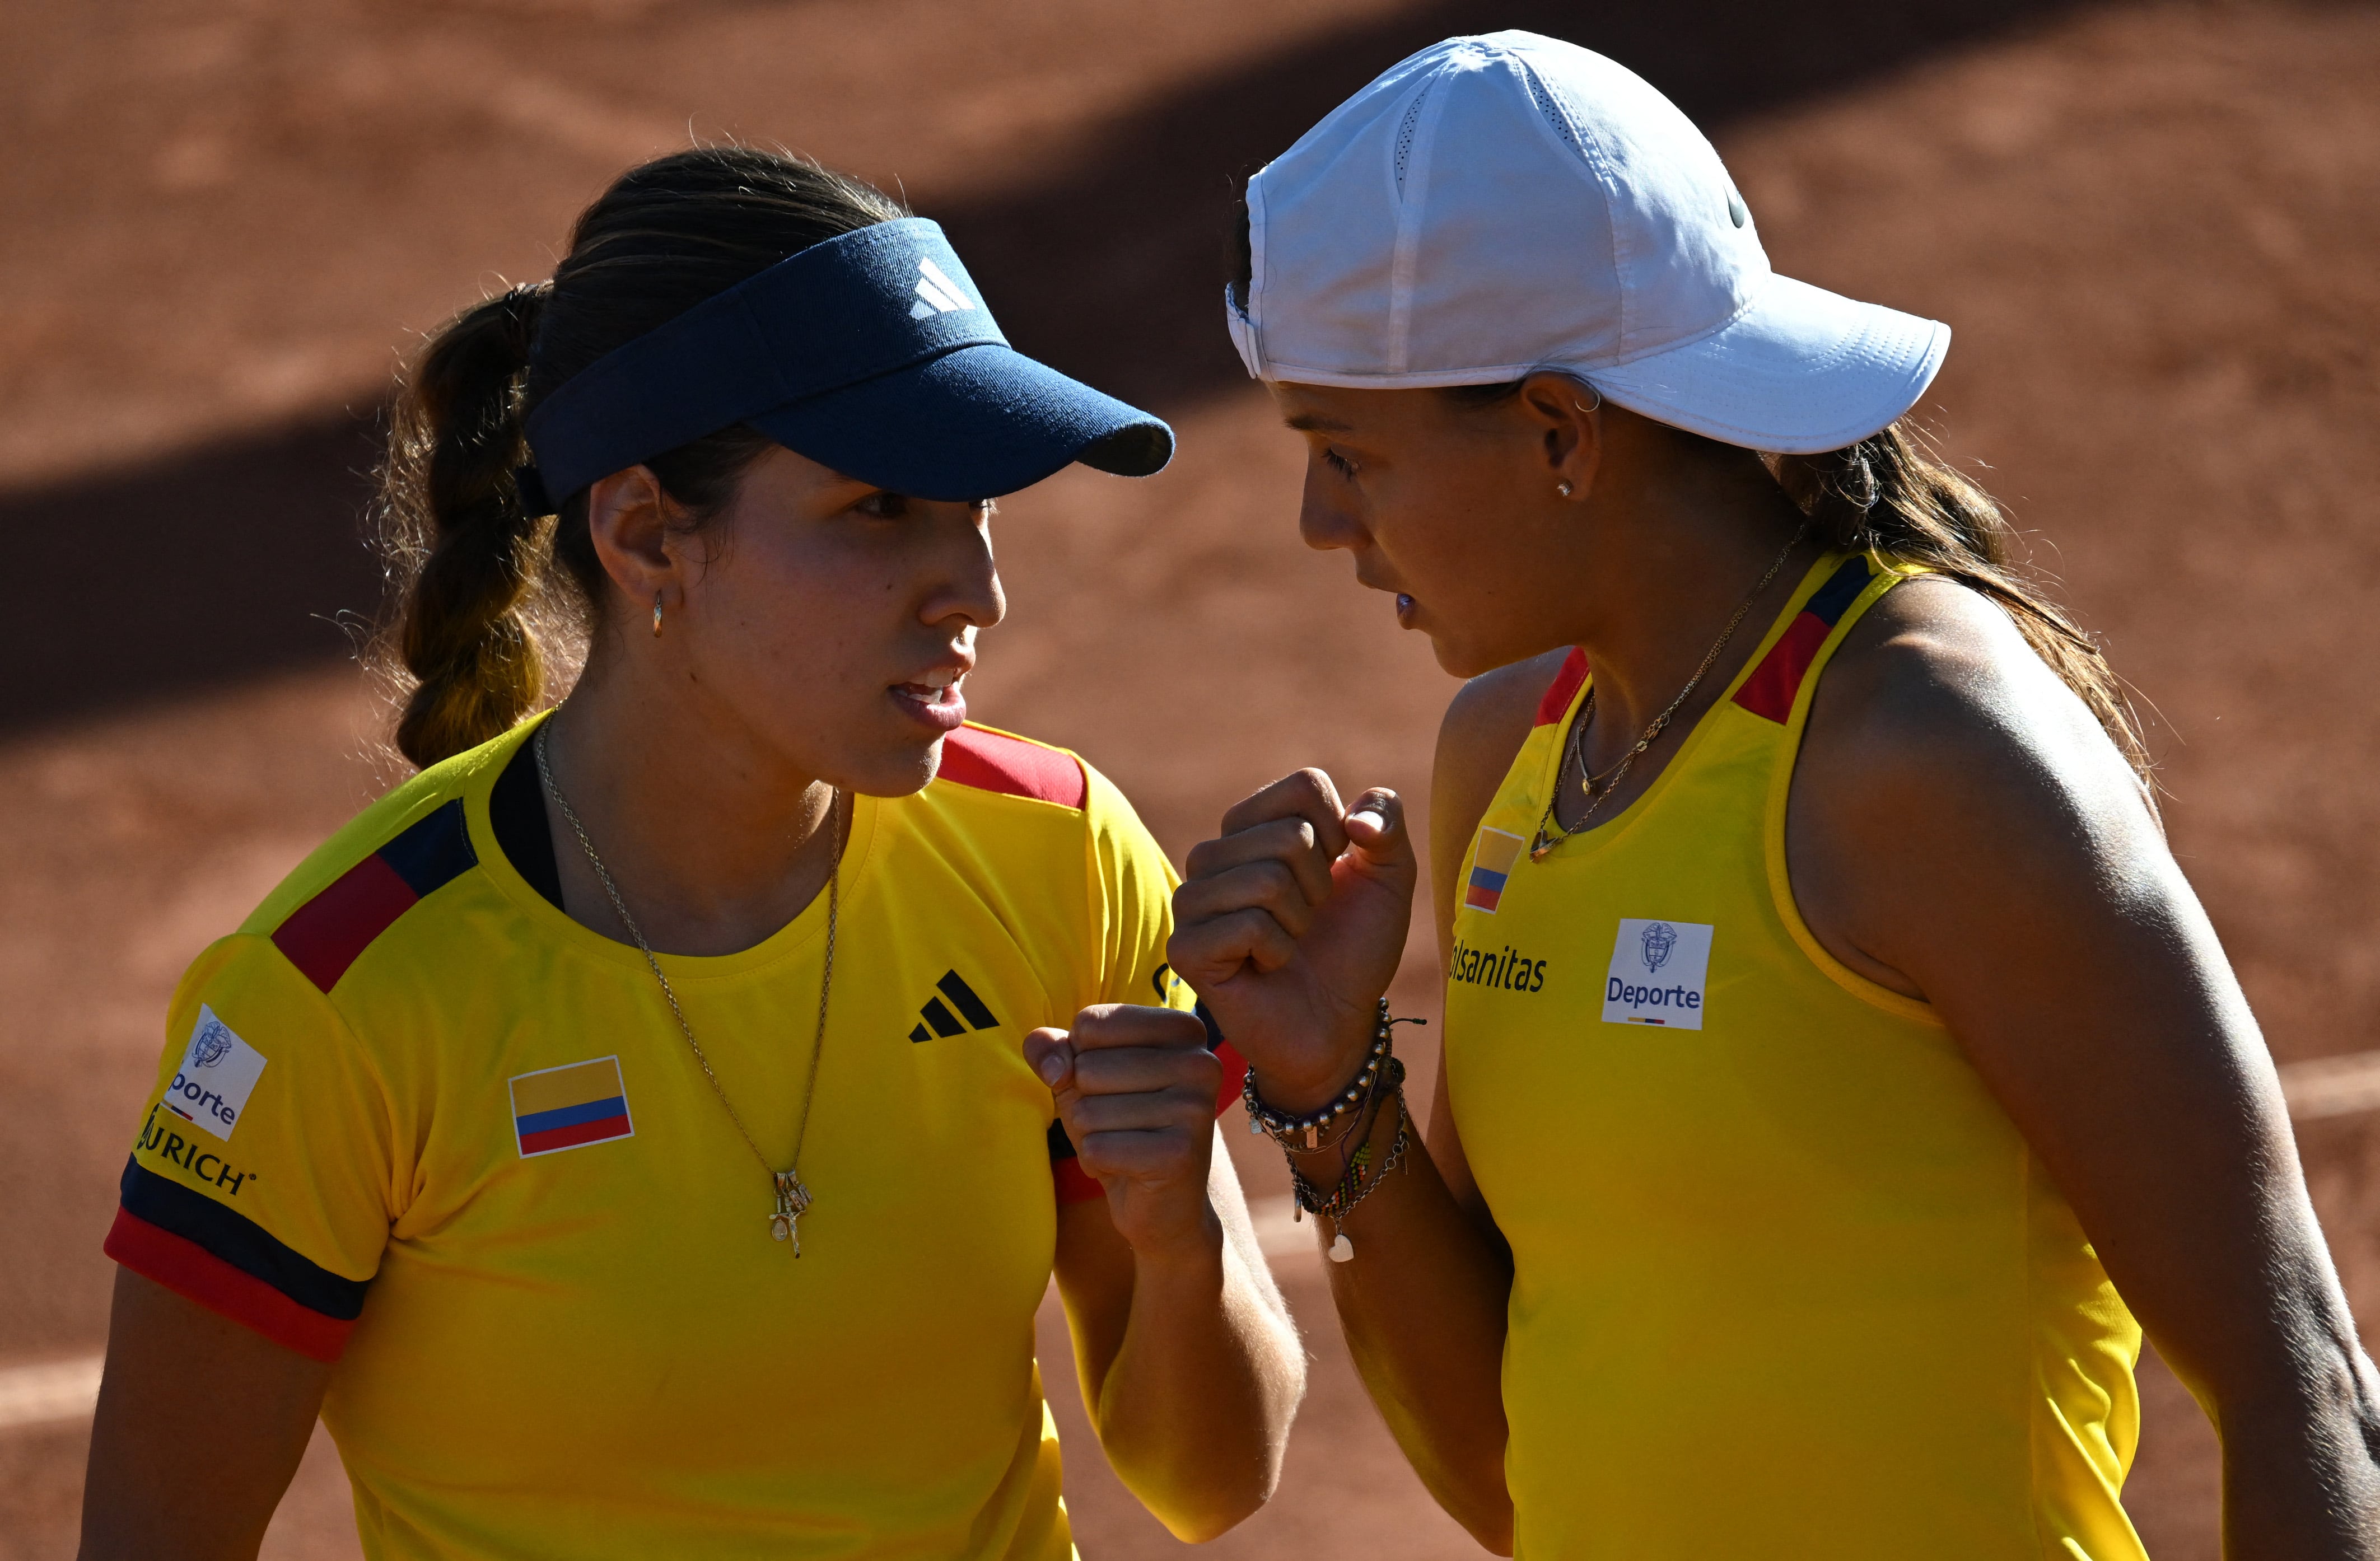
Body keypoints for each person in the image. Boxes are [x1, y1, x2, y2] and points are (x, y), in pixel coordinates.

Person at [1169, 31, 2380, 1559]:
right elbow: (1517, 1470)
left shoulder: (1925, 751)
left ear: (1560, 429)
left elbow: (2304, 1386)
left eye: (1346, 454)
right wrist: (1331, 1088)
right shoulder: (1511, 753)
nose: (1313, 520)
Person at [82, 146, 1302, 1559]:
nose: (977, 588)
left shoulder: (1058, 852)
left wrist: (1174, 1235)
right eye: (880, 509)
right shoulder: (341, 997)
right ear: (652, 536)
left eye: (976, 506)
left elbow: (1214, 1479)